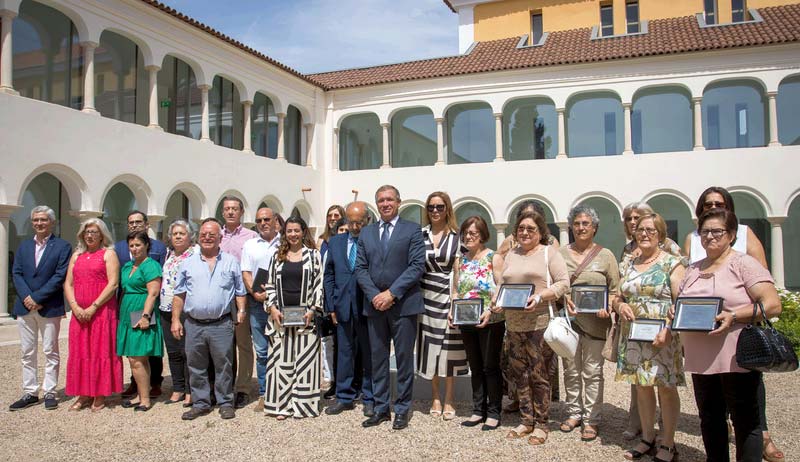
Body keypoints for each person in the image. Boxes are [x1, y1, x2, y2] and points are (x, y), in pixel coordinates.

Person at [682, 187, 780, 462]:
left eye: (717, 231)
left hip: (737, 355)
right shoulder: (693, 269)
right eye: (705, 232)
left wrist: (734, 316)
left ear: (732, 235)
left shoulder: (743, 263)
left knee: (745, 421)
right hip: (701, 357)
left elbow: (772, 305)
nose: (710, 236)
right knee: (710, 419)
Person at [613, 213, 686, 462]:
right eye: (640, 230)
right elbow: (617, 295)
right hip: (633, 336)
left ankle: (668, 444)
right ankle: (647, 438)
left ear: (661, 235)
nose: (644, 234)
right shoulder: (628, 264)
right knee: (642, 386)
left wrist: (669, 331)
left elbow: (680, 303)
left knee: (665, 388)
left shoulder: (672, 263)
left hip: (661, 336)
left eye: (650, 230)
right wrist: (620, 305)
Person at [355, 185, 426, 430]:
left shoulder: (412, 230)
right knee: (378, 360)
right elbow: (360, 268)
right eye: (381, 200)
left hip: (404, 305)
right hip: (375, 306)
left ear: (398, 202)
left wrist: (391, 293)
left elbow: (417, 266)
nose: (385, 204)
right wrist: (375, 295)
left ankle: (402, 409)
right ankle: (381, 408)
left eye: (389, 200)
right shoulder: (367, 233)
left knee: (404, 359)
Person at [496, 211, 569, 446]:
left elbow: (563, 283)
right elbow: (503, 284)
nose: (525, 232)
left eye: (531, 229)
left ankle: (542, 424)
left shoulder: (549, 253)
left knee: (539, 375)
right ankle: (526, 420)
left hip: (539, 323)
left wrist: (540, 296)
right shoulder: (512, 254)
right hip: (513, 324)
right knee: (520, 375)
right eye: (521, 228)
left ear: (540, 232)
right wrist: (496, 302)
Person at [171, 218, 247, 420]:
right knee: (196, 366)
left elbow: (240, 291)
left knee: (224, 365)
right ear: (198, 238)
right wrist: (175, 320)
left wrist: (241, 311)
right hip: (194, 324)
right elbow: (179, 294)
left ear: (220, 238)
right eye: (203, 234)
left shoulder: (231, 261)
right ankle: (201, 403)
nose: (207, 238)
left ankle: (225, 402)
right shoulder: (188, 263)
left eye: (211, 235)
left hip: (221, 324)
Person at [558, 205, 620, 442]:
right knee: (571, 371)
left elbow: (615, 290)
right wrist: (563, 298)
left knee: (593, 372)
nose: (581, 227)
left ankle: (591, 418)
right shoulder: (561, 254)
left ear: (594, 228)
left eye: (586, 223)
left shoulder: (606, 256)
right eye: (576, 223)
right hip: (569, 322)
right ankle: (574, 413)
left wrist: (609, 305)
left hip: (596, 324)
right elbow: (555, 284)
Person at [9, 206, 72, 411]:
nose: (39, 223)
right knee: (27, 352)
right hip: (24, 307)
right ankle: (31, 392)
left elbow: (60, 275)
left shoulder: (62, 246)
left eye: (43, 219)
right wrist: (27, 298)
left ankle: (50, 391)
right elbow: (16, 273)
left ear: (52, 222)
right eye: (36, 220)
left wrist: (37, 297)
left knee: (50, 350)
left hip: (49, 306)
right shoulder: (24, 246)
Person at [263, 216, 323, 419]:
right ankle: (282, 406)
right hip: (280, 318)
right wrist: (272, 308)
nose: (293, 234)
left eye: (297, 230)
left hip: (306, 318)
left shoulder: (313, 255)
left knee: (305, 363)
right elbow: (270, 284)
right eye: (289, 231)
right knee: (282, 362)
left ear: (303, 231)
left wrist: (313, 309)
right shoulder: (276, 256)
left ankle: (303, 406)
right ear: (284, 233)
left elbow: (319, 284)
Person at [450, 216, 504, 431]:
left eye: (473, 233)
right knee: (475, 366)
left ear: (482, 235)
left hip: (490, 320)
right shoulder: (460, 260)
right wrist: (452, 310)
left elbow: (500, 287)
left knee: (490, 366)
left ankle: (494, 411)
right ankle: (478, 410)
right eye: (465, 233)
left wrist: (490, 310)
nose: (468, 237)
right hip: (466, 319)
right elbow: (456, 290)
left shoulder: (494, 257)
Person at [416, 191, 467, 420]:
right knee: (429, 346)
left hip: (447, 296)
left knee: (449, 347)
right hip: (425, 296)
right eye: (431, 207)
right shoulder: (420, 235)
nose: (435, 211)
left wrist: (456, 297)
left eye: (439, 207)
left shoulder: (457, 236)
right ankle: (435, 396)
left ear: (447, 209)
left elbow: (459, 269)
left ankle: (449, 398)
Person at [64, 219, 123, 411]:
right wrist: (75, 307)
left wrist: (93, 307)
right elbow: (68, 284)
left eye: (94, 232)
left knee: (100, 350)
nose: (89, 235)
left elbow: (113, 284)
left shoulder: (108, 254)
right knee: (80, 351)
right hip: (79, 312)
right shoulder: (76, 255)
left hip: (101, 311)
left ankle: (99, 393)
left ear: (102, 235)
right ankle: (83, 393)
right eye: (87, 232)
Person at [324, 202, 374, 417]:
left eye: (359, 222)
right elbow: (329, 275)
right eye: (351, 222)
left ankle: (370, 397)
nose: (354, 227)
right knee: (344, 353)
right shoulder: (336, 242)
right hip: (342, 305)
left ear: (367, 220)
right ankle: (344, 397)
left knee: (369, 354)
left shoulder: (373, 241)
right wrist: (330, 306)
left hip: (368, 306)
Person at [115, 210, 166, 399]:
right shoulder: (125, 261)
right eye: (132, 246)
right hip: (127, 309)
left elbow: (153, 291)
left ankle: (151, 388)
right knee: (133, 354)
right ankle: (138, 387)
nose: (134, 248)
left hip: (142, 308)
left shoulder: (154, 257)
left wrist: (146, 315)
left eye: (138, 245)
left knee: (141, 353)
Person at [218, 196, 258, 409]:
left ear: (241, 212)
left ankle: (242, 388)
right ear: (222, 212)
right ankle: (224, 386)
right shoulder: (216, 235)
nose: (231, 212)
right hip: (219, 298)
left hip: (242, 296)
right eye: (227, 209)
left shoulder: (251, 237)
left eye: (234, 208)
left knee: (243, 344)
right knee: (222, 344)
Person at [240, 207, 281, 411]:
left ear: (275, 220)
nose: (263, 223)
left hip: (281, 302)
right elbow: (246, 272)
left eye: (266, 219)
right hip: (257, 303)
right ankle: (265, 394)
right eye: (259, 220)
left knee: (283, 348)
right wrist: (254, 293)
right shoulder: (250, 245)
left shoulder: (285, 242)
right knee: (262, 350)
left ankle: (282, 391)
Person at [159, 219, 197, 406]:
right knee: (173, 351)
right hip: (165, 308)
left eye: (182, 233)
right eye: (175, 234)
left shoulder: (195, 254)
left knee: (187, 351)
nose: (178, 237)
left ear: (190, 236)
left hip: (185, 309)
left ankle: (190, 390)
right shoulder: (169, 254)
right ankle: (178, 388)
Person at [317, 205, 346, 396]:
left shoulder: (349, 241)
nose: (333, 218)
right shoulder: (322, 241)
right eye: (330, 215)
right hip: (325, 298)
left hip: (340, 298)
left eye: (337, 215)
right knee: (328, 341)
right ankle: (332, 379)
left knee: (342, 343)